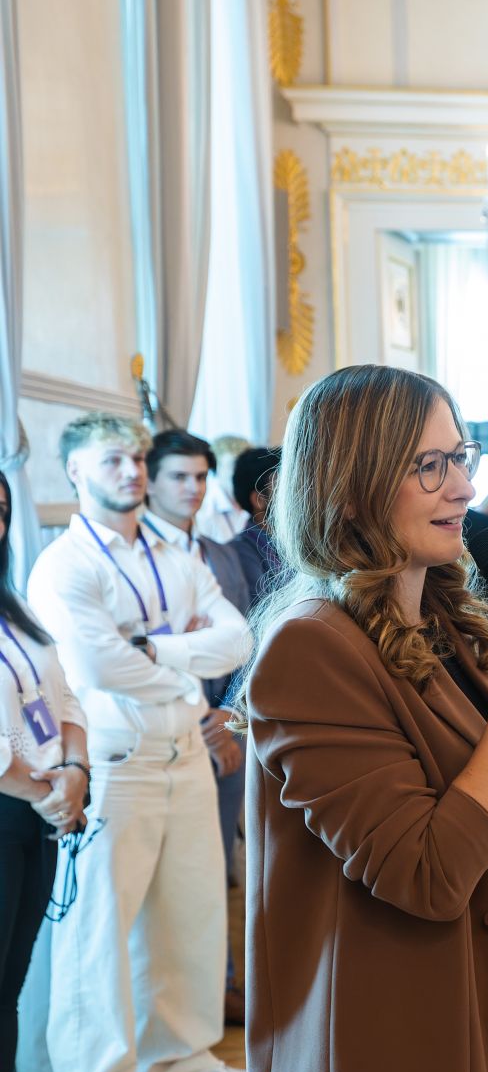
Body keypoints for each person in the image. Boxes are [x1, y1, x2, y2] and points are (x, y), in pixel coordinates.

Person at [242, 366, 488, 1072]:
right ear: (353, 486)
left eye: (462, 457)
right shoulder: (310, 647)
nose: (462, 487)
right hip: (391, 1035)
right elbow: (425, 872)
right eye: (431, 465)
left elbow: (476, 800)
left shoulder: (449, 624)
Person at [27, 412, 252, 1072]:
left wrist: (152, 652)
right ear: (74, 472)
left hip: (184, 751)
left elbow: (236, 638)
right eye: (111, 460)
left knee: (189, 914)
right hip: (113, 763)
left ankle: (176, 1061)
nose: (129, 470)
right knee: (98, 932)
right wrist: (182, 658)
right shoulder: (65, 563)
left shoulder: (174, 552)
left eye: (133, 457)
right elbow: (93, 665)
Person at [143, 429, 253, 1024]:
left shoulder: (222, 554)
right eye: (178, 477)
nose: (191, 488)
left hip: (227, 729)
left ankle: (220, 989)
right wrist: (199, 708)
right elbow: (134, 654)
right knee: (169, 882)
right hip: (165, 730)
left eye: (200, 476)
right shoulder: (134, 556)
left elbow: (245, 644)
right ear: (149, 482)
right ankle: (182, 1006)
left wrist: (230, 716)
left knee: (215, 872)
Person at [0, 468, 89, 1072]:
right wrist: (45, 793)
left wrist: (75, 771)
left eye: (1, 509)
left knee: (10, 987)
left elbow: (64, 697)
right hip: (20, 804)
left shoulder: (14, 608)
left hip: (39, 809)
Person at [227, 445, 282, 609]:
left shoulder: (292, 544)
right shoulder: (240, 552)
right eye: (284, 489)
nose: (296, 496)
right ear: (259, 500)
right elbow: (266, 608)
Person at [193, 434, 251, 544]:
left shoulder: (257, 500)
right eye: (233, 466)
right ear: (215, 469)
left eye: (245, 466)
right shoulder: (205, 512)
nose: (242, 473)